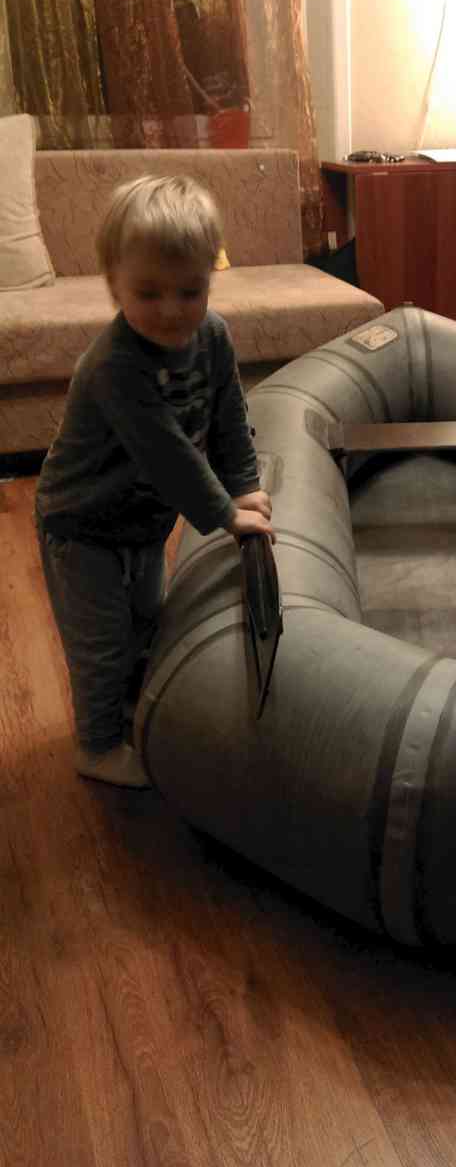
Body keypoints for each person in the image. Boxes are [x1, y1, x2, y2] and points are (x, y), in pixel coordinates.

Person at [35, 174, 275, 788]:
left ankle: (130, 708)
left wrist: (244, 483)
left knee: (148, 621)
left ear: (210, 279)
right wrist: (226, 514)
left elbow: (229, 414)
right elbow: (165, 453)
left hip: (143, 522)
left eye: (189, 290)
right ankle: (96, 746)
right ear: (113, 285)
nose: (171, 309)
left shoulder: (212, 337)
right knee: (101, 644)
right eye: (148, 292)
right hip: (82, 528)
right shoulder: (114, 365)